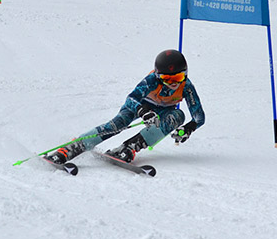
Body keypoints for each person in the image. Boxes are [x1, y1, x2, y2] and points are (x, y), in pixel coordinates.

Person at [47, 49, 205, 165]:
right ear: (158, 76)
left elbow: (199, 117)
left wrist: (189, 128)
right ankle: (73, 147)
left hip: (164, 111)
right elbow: (131, 98)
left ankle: (130, 147)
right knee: (118, 125)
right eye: (166, 79)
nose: (173, 83)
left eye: (178, 77)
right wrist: (143, 111)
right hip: (140, 106)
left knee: (178, 116)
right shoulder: (151, 81)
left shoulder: (186, 86)